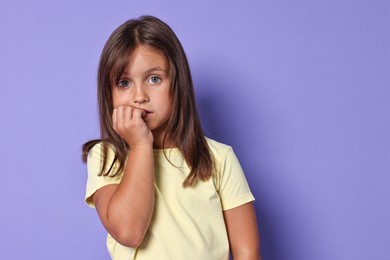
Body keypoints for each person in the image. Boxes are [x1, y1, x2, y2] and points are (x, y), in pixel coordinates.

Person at [82, 15, 261, 260]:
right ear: (108, 93)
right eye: (124, 83)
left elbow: (247, 253)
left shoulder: (219, 158)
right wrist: (140, 144)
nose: (139, 96)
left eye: (154, 79)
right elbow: (129, 231)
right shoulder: (106, 156)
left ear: (178, 83)